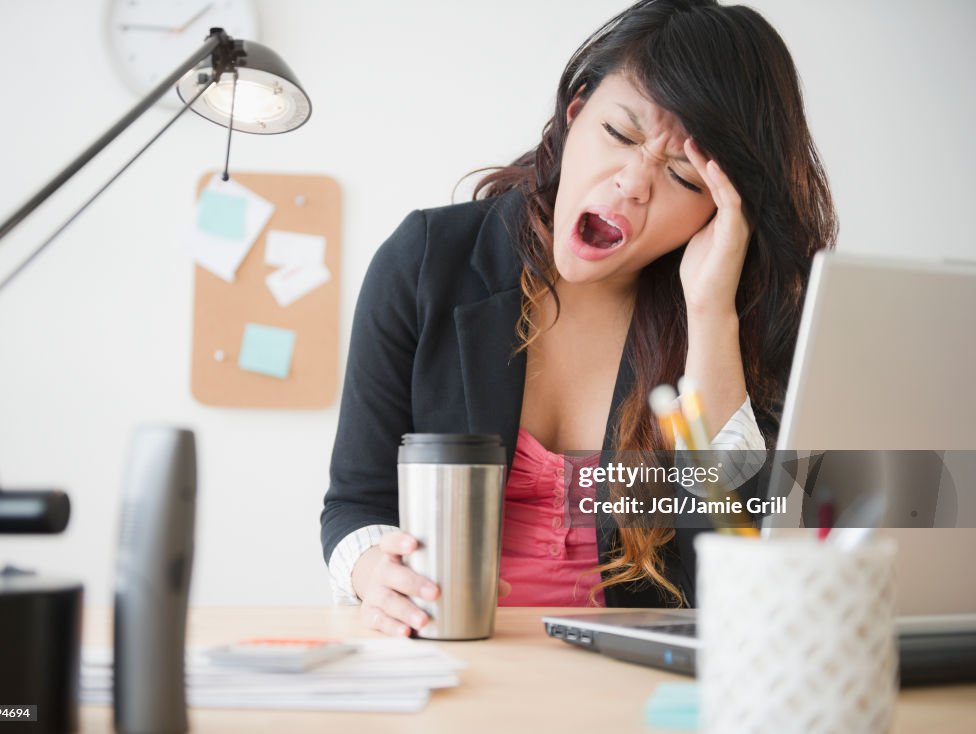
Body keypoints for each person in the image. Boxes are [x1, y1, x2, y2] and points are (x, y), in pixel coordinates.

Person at [320, 0, 836, 636]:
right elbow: (354, 503)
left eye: (682, 175)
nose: (632, 183)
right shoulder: (426, 261)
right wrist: (372, 568)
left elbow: (742, 556)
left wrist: (709, 315)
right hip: (453, 653)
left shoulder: (741, 316)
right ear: (576, 112)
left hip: (640, 678)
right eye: (620, 135)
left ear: (723, 211)